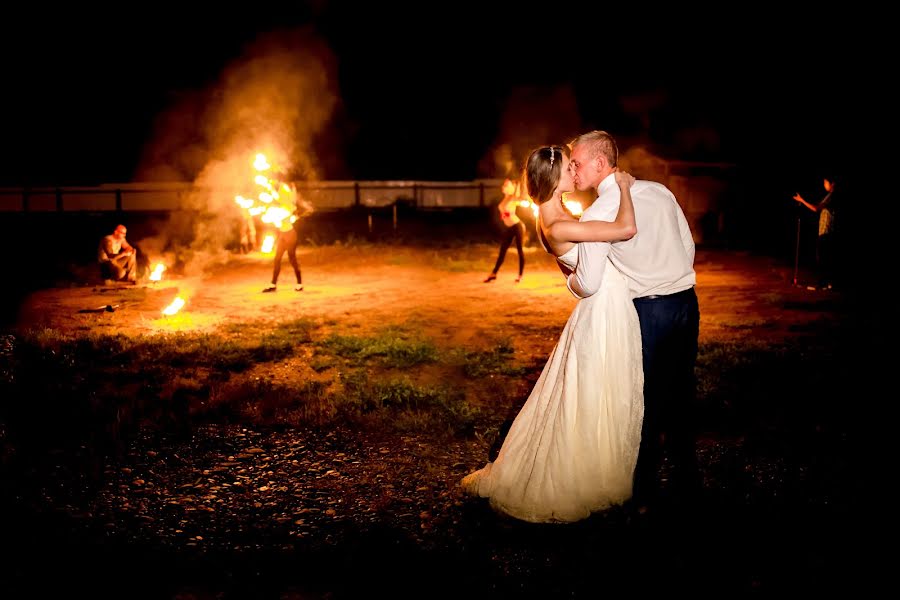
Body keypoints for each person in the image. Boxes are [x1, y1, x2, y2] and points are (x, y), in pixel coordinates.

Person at [461, 145, 643, 523]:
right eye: (569, 166)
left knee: (598, 388)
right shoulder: (556, 223)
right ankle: (582, 475)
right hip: (603, 308)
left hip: (604, 305)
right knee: (594, 390)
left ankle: (598, 465)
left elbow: (576, 275)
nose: (576, 171)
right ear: (553, 176)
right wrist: (624, 189)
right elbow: (625, 228)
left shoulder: (562, 212)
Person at [568, 130, 701, 512]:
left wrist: (572, 279)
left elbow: (589, 282)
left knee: (644, 399)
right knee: (681, 391)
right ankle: (688, 483)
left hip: (649, 311)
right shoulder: (659, 191)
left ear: (599, 163)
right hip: (686, 303)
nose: (573, 171)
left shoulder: (597, 213)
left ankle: (641, 491)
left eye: (576, 163)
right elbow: (687, 243)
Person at [793, 177, 837, 289]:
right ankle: (828, 283)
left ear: (832, 184)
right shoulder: (830, 196)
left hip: (826, 231)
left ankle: (823, 283)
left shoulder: (832, 196)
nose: (824, 184)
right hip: (826, 231)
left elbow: (816, 208)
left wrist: (802, 200)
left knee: (822, 257)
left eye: (825, 182)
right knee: (826, 257)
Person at [262, 193, 311, 293]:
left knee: (292, 259)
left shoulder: (288, 207)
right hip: (282, 235)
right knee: (277, 259)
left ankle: (299, 284)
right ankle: (273, 285)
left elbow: (290, 210)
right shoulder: (278, 207)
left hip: (290, 235)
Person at [483, 177, 526, 283]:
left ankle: (520, 275)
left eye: (506, 185)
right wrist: (504, 215)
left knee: (520, 250)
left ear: (510, 188)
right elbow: (505, 212)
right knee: (502, 251)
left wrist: (518, 184)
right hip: (510, 228)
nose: (503, 187)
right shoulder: (504, 199)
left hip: (517, 226)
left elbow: (518, 196)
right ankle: (493, 274)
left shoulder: (512, 198)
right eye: (504, 185)